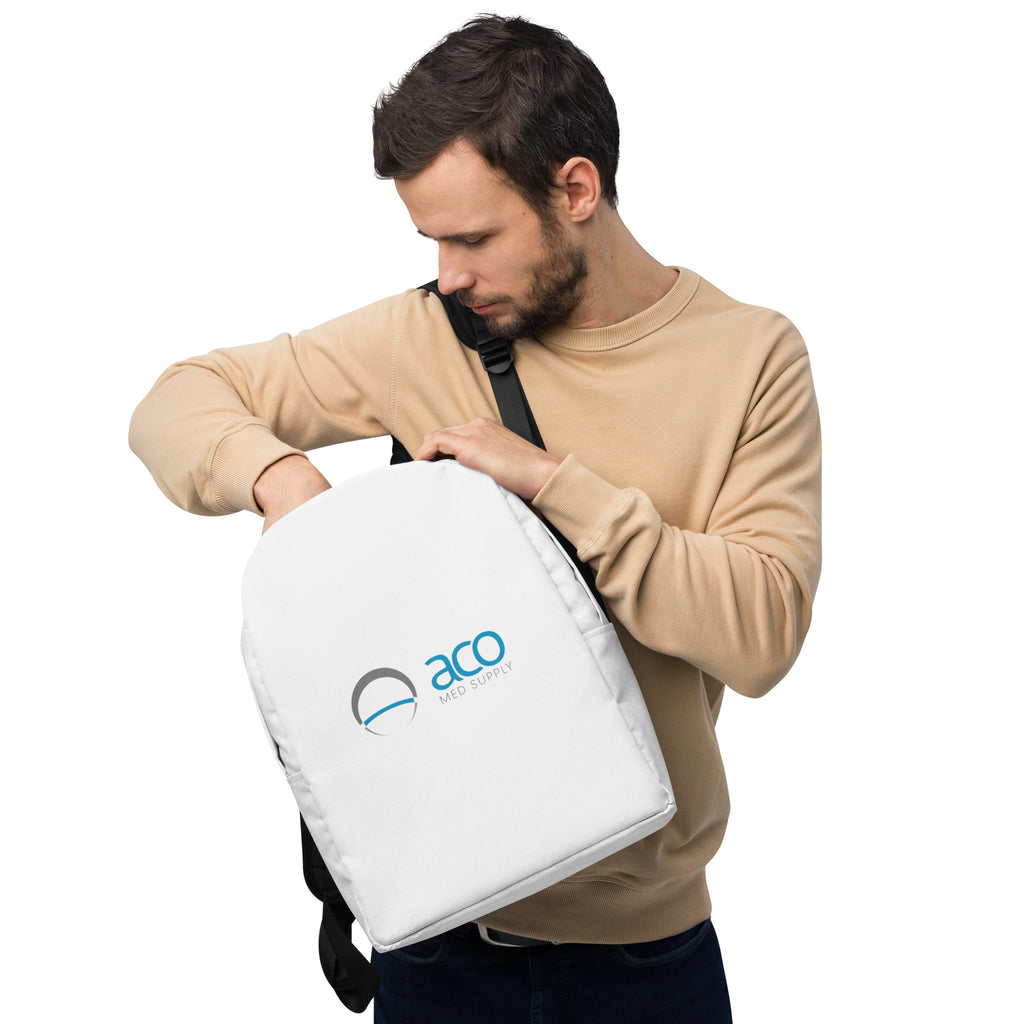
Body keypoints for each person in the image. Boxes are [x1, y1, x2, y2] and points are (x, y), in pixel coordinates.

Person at [129, 14, 821, 1023]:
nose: (449, 273)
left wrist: (552, 484)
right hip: (439, 949)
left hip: (647, 957)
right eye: (432, 241)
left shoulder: (750, 356)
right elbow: (175, 400)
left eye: (474, 237)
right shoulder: (428, 332)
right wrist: (281, 480)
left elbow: (761, 634)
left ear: (575, 189)